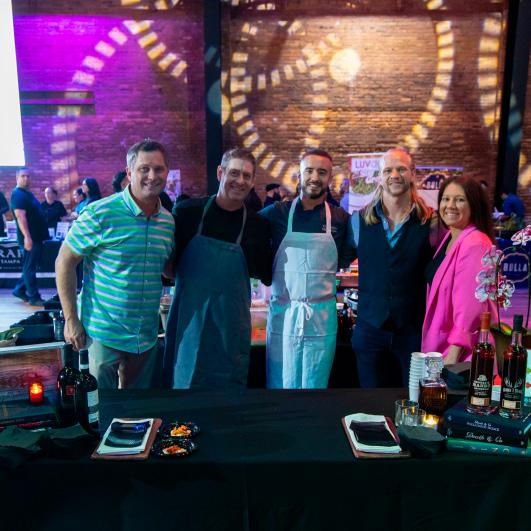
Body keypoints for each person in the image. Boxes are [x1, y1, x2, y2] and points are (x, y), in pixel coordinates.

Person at [55, 139, 174, 389]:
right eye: (144, 169)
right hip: (102, 334)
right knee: (98, 406)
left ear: (167, 172)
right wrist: (70, 319)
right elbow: (64, 261)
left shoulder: (167, 222)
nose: (152, 176)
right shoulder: (100, 213)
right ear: (129, 173)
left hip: (145, 337)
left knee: (137, 408)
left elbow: (167, 269)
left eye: (159, 169)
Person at [163, 147, 272, 389]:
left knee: (227, 392)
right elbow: (169, 269)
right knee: (183, 386)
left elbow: (266, 274)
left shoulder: (257, 226)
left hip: (229, 331)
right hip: (188, 325)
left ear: (253, 181)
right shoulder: (187, 213)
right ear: (220, 173)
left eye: (246, 176)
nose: (240, 181)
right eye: (234, 173)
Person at [259, 148, 356, 389]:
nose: (315, 177)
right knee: (281, 383)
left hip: (321, 318)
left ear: (329, 177)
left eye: (322, 172)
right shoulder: (277, 213)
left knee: (315, 384)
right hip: (284, 315)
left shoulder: (341, 219)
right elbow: (249, 232)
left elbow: (344, 259)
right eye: (309, 171)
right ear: (299, 175)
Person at [350, 147, 435, 388]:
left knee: (413, 399)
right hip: (369, 329)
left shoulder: (431, 222)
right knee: (371, 402)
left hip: (412, 331)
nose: (394, 175)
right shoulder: (357, 220)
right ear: (379, 176)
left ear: (413, 174)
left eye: (401, 169)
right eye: (388, 170)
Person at [422, 177, 496, 363]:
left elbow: (472, 307)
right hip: (440, 345)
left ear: (474, 206)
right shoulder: (450, 237)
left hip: (458, 353)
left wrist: (454, 354)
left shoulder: (475, 243)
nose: (450, 205)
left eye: (459, 200)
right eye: (445, 199)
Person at [10, 169, 49, 305]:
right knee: (30, 268)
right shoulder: (17, 194)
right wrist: (27, 237)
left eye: (28, 176)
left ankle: (19, 290)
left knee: (30, 266)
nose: (26, 178)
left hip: (36, 238)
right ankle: (34, 297)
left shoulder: (27, 194)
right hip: (30, 238)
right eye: (23, 176)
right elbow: (20, 216)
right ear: (17, 178)